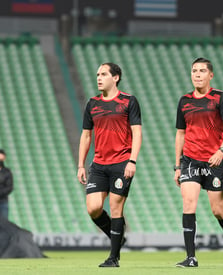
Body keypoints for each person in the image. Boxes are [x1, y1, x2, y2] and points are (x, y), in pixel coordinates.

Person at [174, 57, 223, 268]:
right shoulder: (184, 101)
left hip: (214, 161)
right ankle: (191, 257)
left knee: (218, 210)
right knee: (188, 203)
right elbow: (180, 133)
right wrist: (177, 165)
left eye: (202, 71)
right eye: (194, 70)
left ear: (210, 75)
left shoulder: (220, 98)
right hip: (190, 160)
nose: (197, 74)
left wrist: (222, 150)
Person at [77, 62, 142, 268]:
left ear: (115, 78)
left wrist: (132, 160)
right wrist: (80, 164)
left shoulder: (128, 101)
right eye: (97, 74)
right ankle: (117, 238)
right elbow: (86, 135)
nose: (99, 77)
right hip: (99, 164)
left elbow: (137, 132)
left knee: (115, 207)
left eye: (103, 74)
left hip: (122, 162)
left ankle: (113, 257)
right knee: (93, 208)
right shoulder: (92, 104)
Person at [0, 149, 13, 219]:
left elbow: (9, 187)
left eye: (1, 159)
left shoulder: (7, 172)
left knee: (3, 223)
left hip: (2, 201)